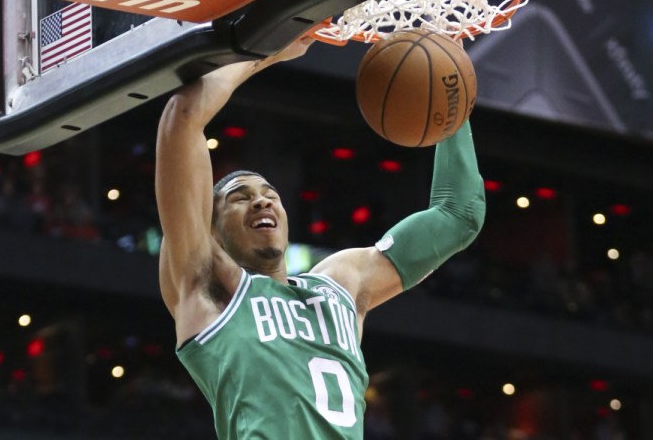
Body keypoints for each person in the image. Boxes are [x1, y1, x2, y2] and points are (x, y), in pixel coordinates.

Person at [155, 36, 486, 439]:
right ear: (212, 234)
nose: (261, 202)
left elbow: (459, 215)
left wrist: (453, 95)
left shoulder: (341, 285)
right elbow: (184, 115)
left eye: (269, 195)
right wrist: (270, 48)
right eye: (240, 199)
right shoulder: (208, 287)